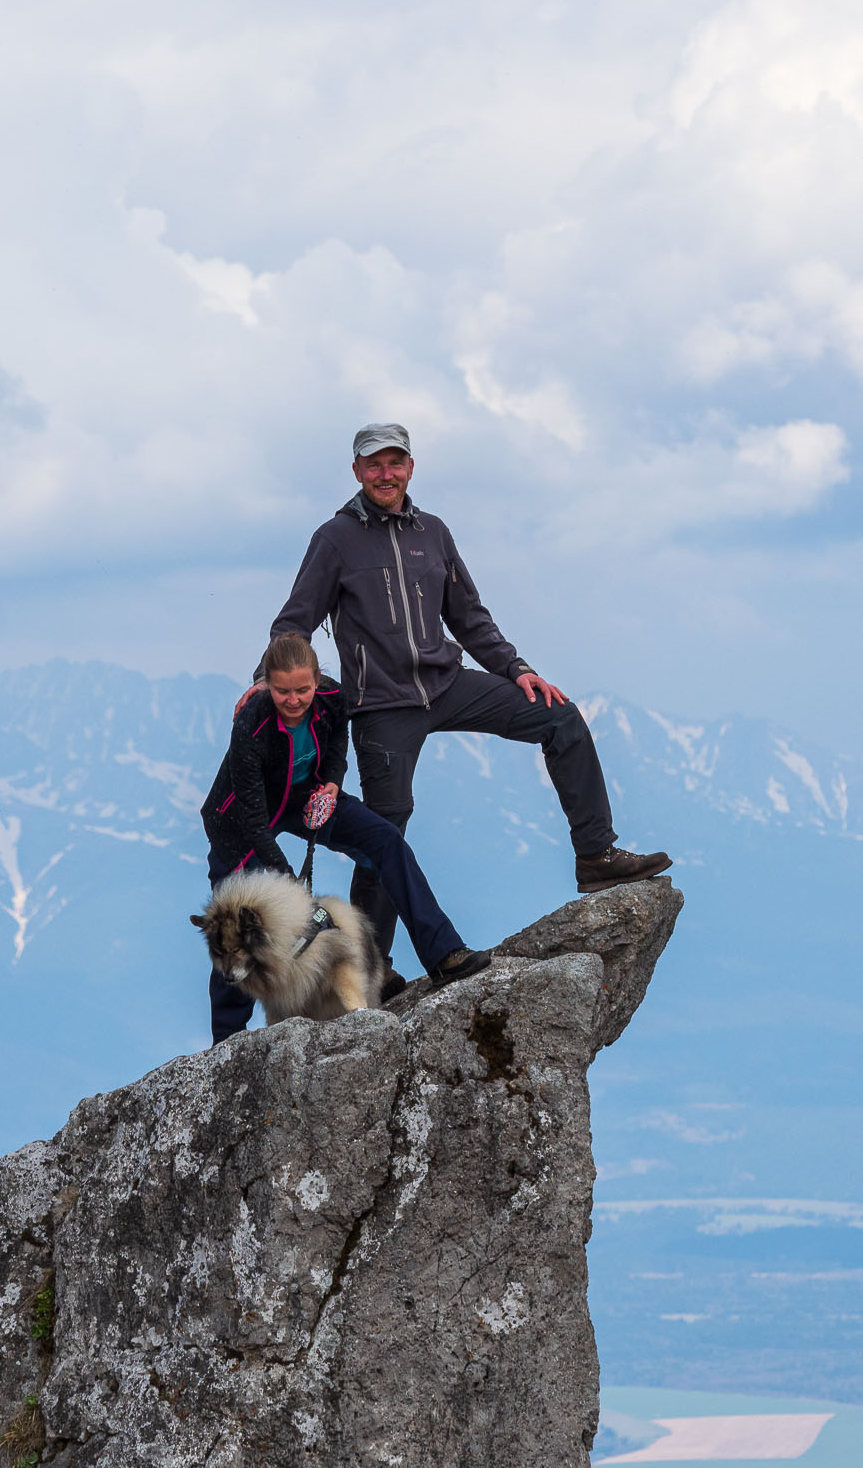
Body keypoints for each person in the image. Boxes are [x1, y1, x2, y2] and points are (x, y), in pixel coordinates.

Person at [257, 422, 671, 998]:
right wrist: (265, 682)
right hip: (381, 705)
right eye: (374, 464)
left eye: (395, 462)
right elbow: (294, 621)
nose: (385, 473)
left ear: (410, 467)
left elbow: (469, 617)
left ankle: (596, 855)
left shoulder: (435, 532)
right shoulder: (335, 539)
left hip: (448, 683)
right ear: (356, 471)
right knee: (385, 827)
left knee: (561, 719)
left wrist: (517, 669)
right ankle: (372, 964)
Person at [200, 632, 490, 1043]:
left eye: (303, 689)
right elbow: (251, 814)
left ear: (318, 681)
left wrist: (332, 785)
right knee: (233, 926)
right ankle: (226, 1042)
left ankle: (443, 951)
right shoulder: (252, 721)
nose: (294, 700)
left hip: (307, 796)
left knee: (386, 842)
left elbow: (337, 743)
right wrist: (285, 876)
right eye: (282, 691)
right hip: (239, 820)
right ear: (266, 683)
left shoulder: (334, 697)